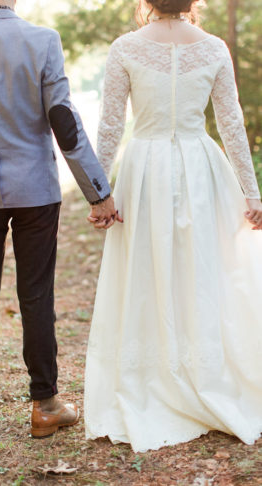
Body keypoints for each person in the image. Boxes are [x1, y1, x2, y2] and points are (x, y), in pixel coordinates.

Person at [0, 0, 119, 445]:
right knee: (36, 295)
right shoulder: (43, 40)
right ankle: (45, 407)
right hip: (36, 188)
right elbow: (64, 121)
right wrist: (98, 192)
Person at [84, 0, 262, 453]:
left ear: (146, 3)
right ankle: (203, 372)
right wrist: (252, 191)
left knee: (146, 270)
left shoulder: (125, 47)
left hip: (145, 168)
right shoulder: (214, 47)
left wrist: (98, 193)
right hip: (202, 166)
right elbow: (232, 124)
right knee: (203, 268)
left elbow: (109, 125)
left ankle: (157, 375)